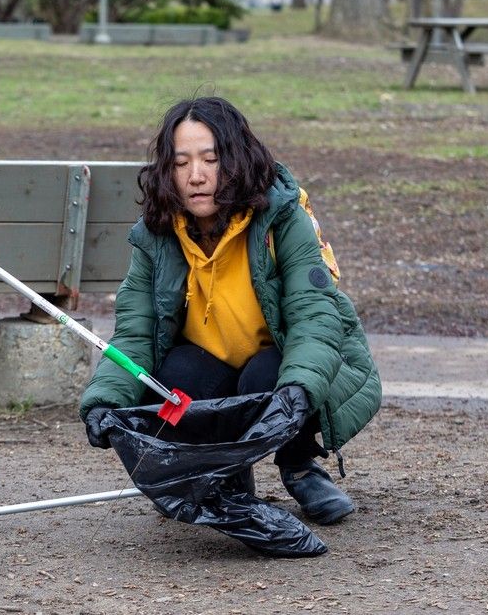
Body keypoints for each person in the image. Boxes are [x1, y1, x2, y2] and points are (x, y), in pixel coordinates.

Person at [79, 96, 381, 527]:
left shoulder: (285, 216)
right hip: (210, 368)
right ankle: (229, 472)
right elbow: (135, 334)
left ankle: (298, 465)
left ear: (236, 161)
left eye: (210, 159)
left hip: (277, 358)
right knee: (172, 377)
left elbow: (315, 319)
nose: (196, 177)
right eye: (181, 163)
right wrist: (102, 401)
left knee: (275, 375)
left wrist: (299, 389)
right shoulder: (155, 234)